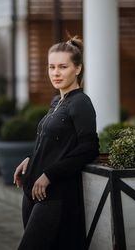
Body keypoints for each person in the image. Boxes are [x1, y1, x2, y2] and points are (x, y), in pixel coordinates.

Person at [14, 35, 100, 250]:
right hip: (31, 190)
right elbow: (52, 141)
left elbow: (89, 148)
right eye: (51, 67)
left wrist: (50, 174)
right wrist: (31, 158)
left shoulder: (81, 103)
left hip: (55, 194)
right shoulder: (57, 101)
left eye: (63, 67)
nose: (56, 73)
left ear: (78, 69)